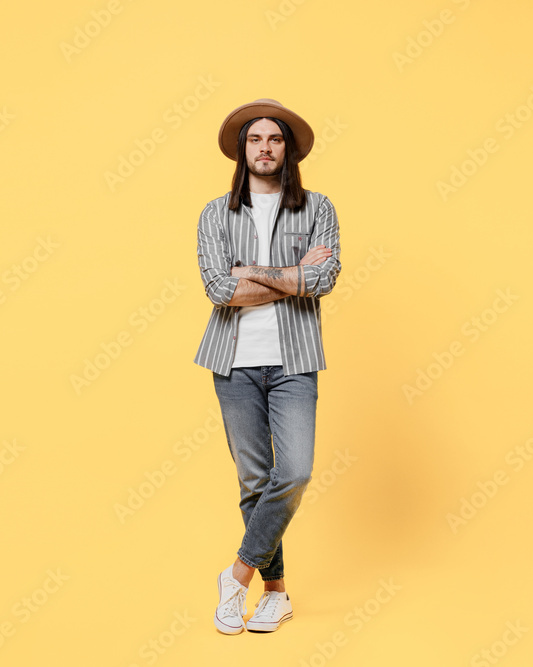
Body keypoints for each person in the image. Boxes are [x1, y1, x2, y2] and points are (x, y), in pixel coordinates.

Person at [193, 98, 342, 634]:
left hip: (294, 360)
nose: (265, 147)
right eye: (255, 139)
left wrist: (250, 271)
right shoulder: (215, 213)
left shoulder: (318, 208)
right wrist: (290, 274)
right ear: (243, 150)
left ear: (288, 149)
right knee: (255, 481)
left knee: (294, 471)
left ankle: (235, 576)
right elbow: (219, 289)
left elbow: (322, 280)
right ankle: (275, 594)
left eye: (274, 139)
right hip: (233, 361)